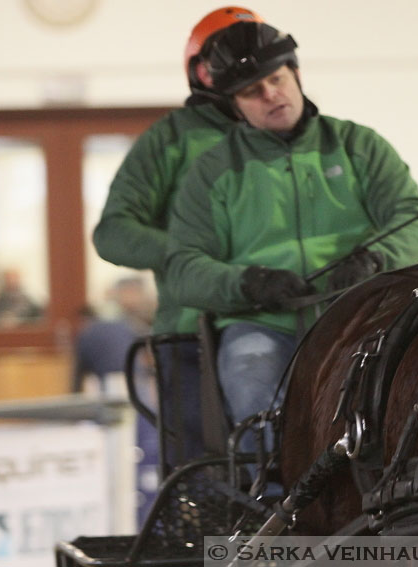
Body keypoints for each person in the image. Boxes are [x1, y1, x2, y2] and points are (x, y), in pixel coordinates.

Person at [164, 15, 418, 472]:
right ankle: (276, 507)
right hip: (262, 325)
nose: (271, 94)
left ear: (296, 74)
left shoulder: (358, 146)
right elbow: (181, 268)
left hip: (362, 314)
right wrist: (249, 283)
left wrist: (374, 259)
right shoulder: (211, 172)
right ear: (236, 108)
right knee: (251, 376)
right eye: (253, 91)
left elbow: (416, 217)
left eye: (276, 78)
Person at [91, 7, 264, 465]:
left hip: (288, 327)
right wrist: (189, 256)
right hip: (194, 335)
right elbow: (113, 231)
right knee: (200, 481)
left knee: (283, 474)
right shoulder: (170, 140)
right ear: (202, 71)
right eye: (229, 57)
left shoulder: (295, 137)